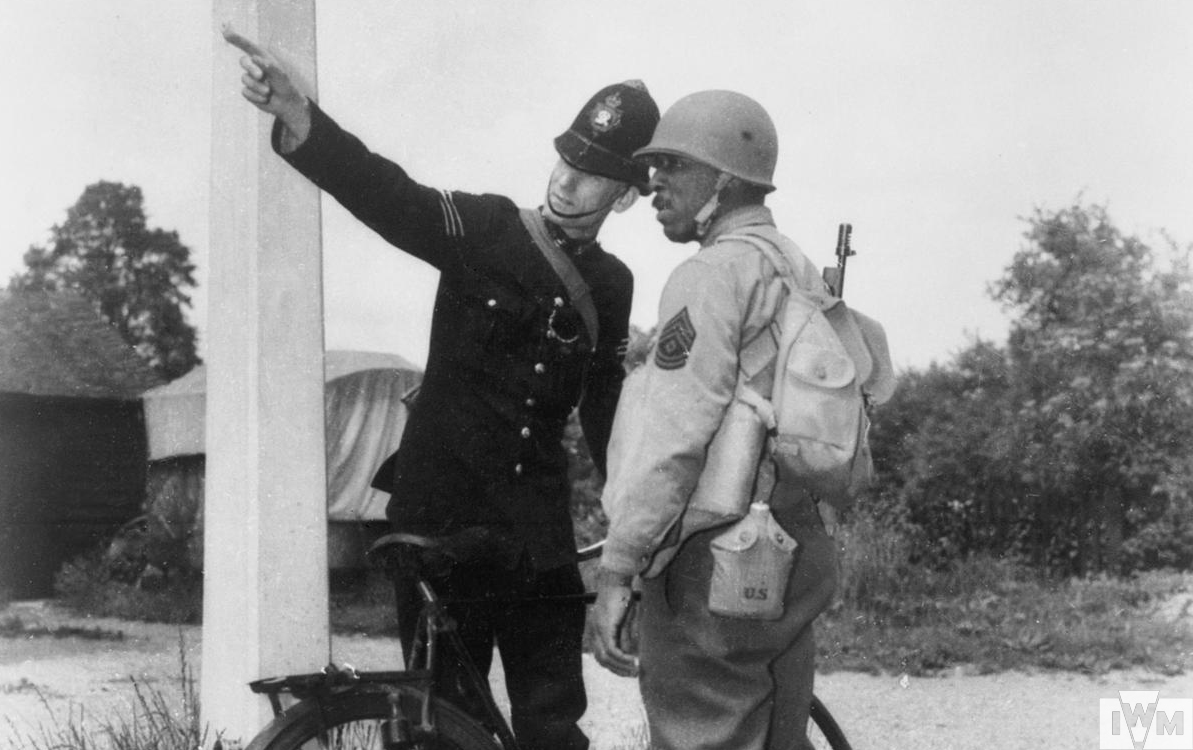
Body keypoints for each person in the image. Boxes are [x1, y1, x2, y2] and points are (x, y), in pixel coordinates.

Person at [224, 28, 659, 750]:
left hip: (533, 537)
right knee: (438, 729)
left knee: (554, 725)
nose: (567, 179)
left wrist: (634, 523)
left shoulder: (611, 286)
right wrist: (304, 119)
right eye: (568, 156)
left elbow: (605, 405)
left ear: (625, 198)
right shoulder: (485, 228)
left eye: (593, 174)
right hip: (444, 521)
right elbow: (390, 195)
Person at [590, 90, 840, 750]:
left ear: (723, 179)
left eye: (672, 164)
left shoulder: (709, 275)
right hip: (794, 540)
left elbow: (672, 439)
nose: (653, 183)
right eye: (651, 167)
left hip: (719, 560)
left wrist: (618, 568)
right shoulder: (797, 267)